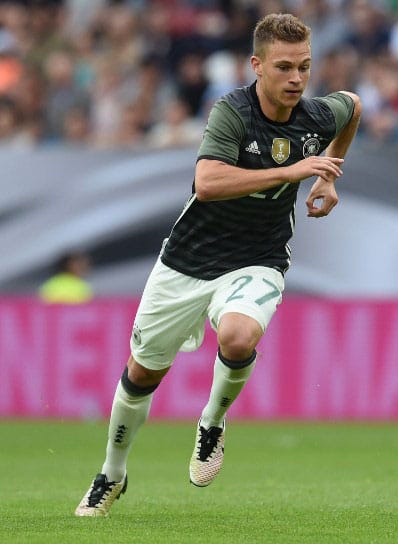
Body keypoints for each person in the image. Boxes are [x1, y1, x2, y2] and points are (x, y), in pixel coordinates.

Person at [74, 12, 362, 517]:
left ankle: (211, 423)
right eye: (284, 67)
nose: (296, 78)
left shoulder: (318, 116)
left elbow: (353, 108)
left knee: (237, 337)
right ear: (256, 65)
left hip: (259, 258)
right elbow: (207, 183)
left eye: (305, 67)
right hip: (187, 261)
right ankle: (112, 473)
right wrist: (294, 170)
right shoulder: (232, 112)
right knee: (141, 374)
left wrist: (329, 178)